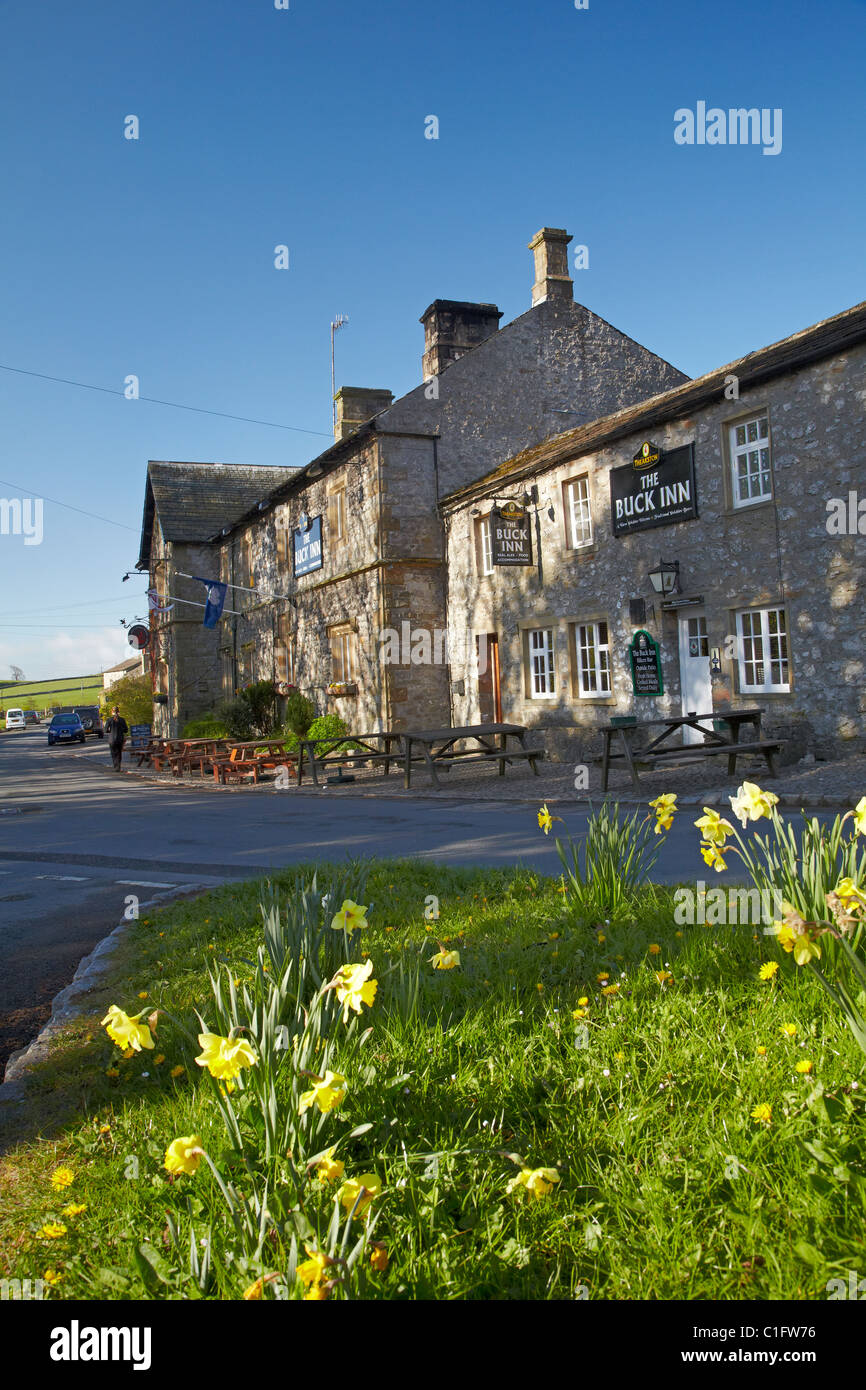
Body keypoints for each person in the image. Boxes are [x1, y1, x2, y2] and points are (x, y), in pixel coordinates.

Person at [104, 706, 129, 771]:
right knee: (119, 753)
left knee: (113, 753)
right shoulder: (122, 720)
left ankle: (115, 766)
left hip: (112, 739)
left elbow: (105, 730)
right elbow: (126, 730)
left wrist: (110, 730)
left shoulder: (109, 720)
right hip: (120, 738)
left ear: (112, 712)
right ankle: (118, 766)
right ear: (118, 711)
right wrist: (121, 730)